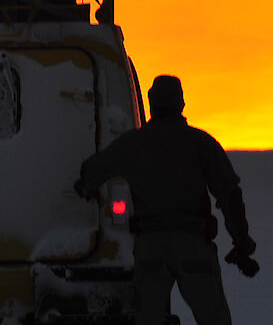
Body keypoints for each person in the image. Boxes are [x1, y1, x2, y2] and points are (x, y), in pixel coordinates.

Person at [76, 75, 257, 325]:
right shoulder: (201, 143)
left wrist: (85, 187)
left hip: (151, 249)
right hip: (194, 247)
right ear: (181, 104)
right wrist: (242, 242)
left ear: (151, 104)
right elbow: (230, 195)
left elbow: (93, 171)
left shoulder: (132, 143)